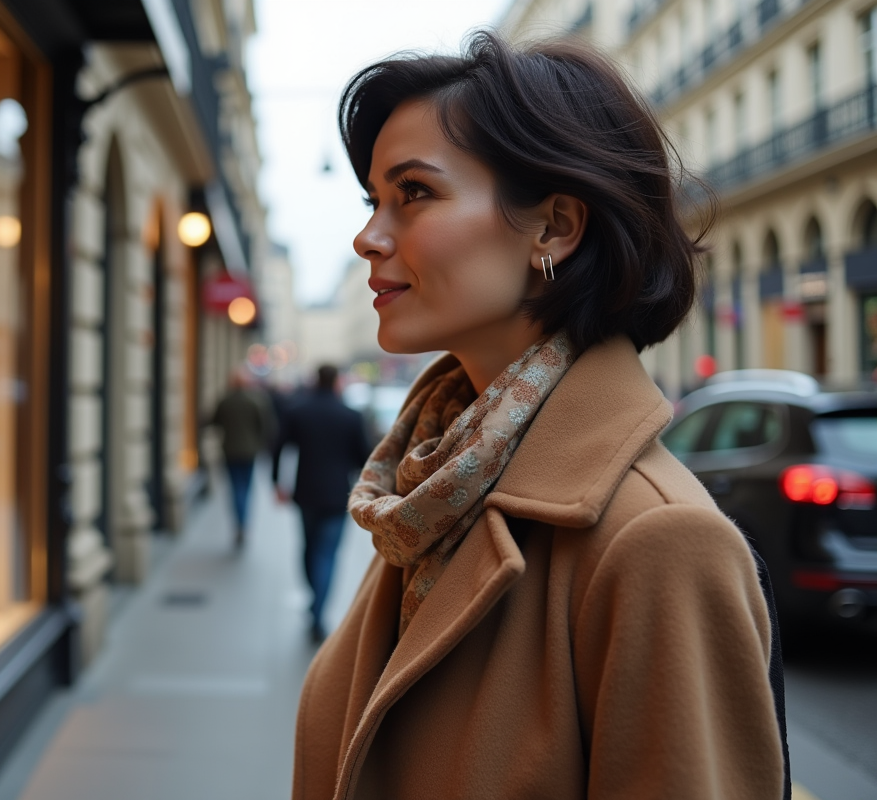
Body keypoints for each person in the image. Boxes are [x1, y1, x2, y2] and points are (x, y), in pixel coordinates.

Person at [291, 31, 790, 799]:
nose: (367, 238)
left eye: (413, 193)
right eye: (372, 202)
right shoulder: (429, 491)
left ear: (554, 227)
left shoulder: (656, 542)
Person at [272, 365, 370, 642]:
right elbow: (364, 457)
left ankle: (315, 605)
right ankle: (318, 610)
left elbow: (278, 446)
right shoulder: (350, 416)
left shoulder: (298, 411)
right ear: (337, 382)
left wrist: (277, 482)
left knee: (309, 548)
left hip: (306, 492)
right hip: (337, 493)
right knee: (327, 553)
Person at [211, 368, 274, 548]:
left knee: (235, 487)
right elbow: (265, 426)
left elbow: (215, 422)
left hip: (230, 450)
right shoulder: (255, 400)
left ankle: (239, 523)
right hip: (249, 451)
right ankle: (243, 523)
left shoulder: (225, 401)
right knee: (246, 487)